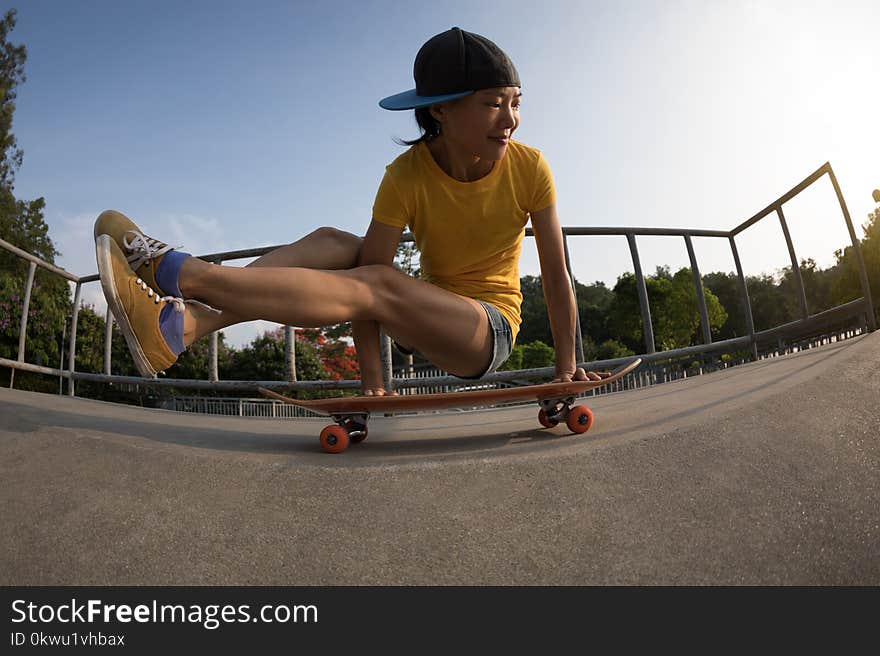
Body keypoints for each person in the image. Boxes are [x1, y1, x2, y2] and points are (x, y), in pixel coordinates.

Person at [94, 27, 606, 395]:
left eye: (515, 102)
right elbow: (369, 278)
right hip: (415, 312)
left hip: (485, 331)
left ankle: (179, 274)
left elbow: (556, 274)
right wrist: (374, 386)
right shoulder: (405, 175)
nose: (511, 119)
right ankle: (180, 329)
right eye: (494, 103)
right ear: (441, 110)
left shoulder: (530, 167)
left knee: (378, 283)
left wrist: (566, 368)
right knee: (336, 243)